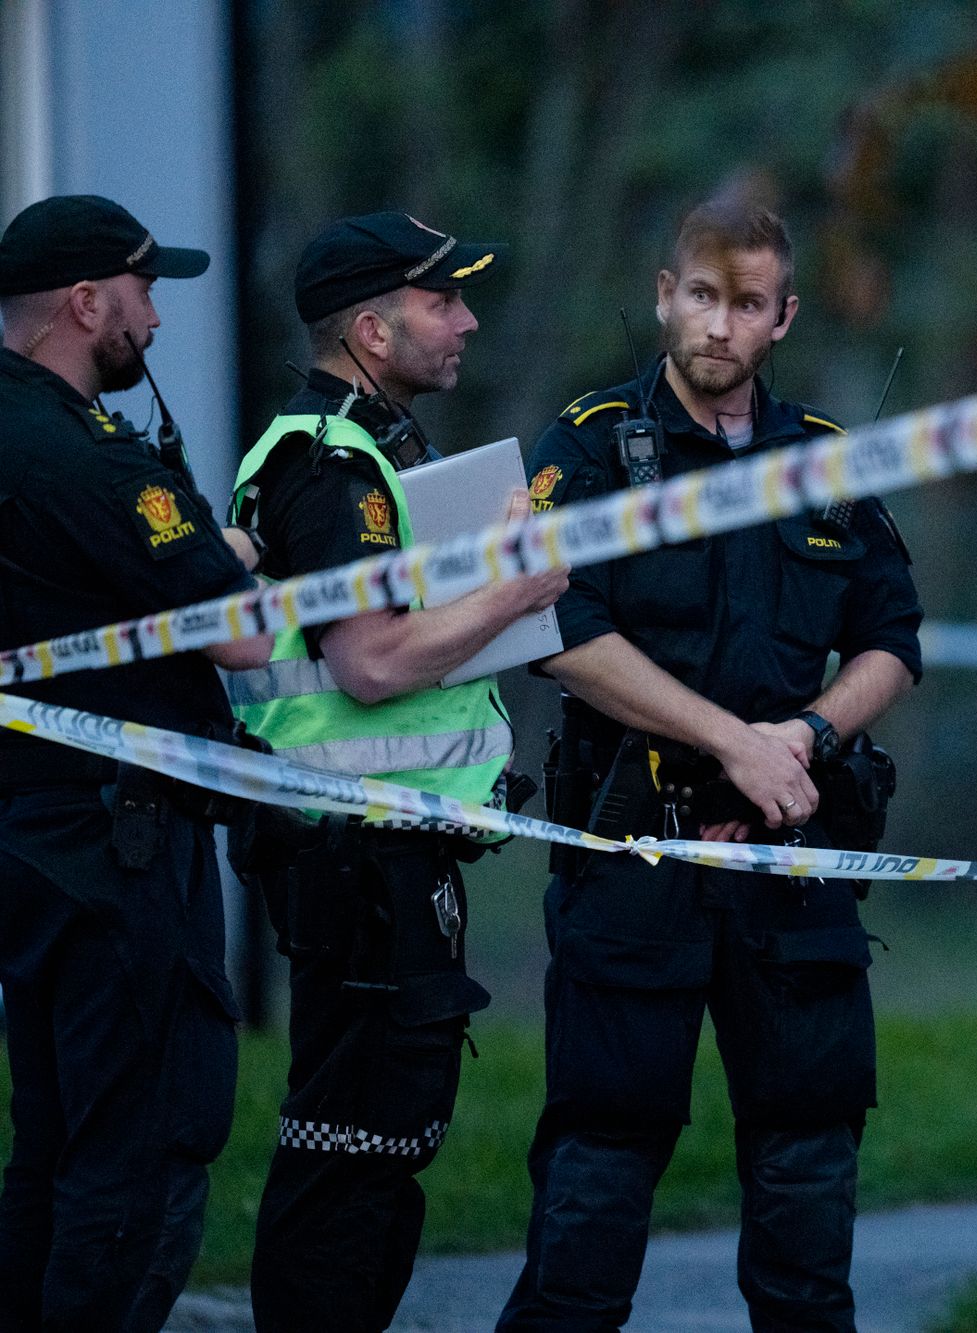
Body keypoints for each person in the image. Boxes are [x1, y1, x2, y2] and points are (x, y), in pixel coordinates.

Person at [498, 200, 923, 1331]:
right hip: (639, 849)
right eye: (700, 296)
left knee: (807, 1161)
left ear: (780, 316)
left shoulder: (824, 462)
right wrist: (730, 736)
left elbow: (894, 638)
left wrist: (812, 733)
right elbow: (554, 634)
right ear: (661, 293)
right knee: (601, 1161)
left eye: (744, 304)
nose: (717, 324)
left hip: (791, 849)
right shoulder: (589, 448)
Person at [225, 211, 568, 1331]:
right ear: (371, 330)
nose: (465, 320)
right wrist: (513, 592)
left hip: (383, 852)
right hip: (353, 859)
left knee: (381, 1148)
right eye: (442, 302)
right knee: (349, 1157)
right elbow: (368, 662)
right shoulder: (328, 462)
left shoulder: (371, 449)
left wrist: (486, 567)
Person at [0, 195, 272, 1331]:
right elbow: (239, 630)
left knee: (52, 1142)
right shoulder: (95, 459)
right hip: (119, 854)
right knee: (144, 1149)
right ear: (86, 301)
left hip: (24, 837)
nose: (154, 321)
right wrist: (225, 552)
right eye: (146, 292)